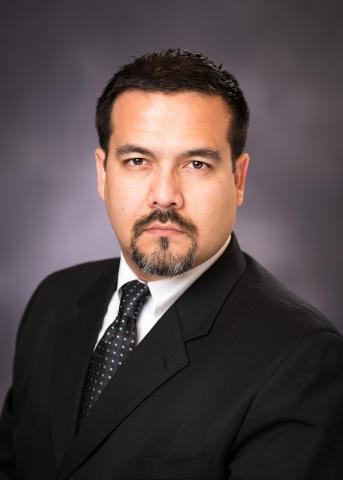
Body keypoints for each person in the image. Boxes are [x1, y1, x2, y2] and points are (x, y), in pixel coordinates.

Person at [0, 48, 342, 480]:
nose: (165, 195)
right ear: (103, 174)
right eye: (138, 161)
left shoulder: (302, 360)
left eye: (196, 164)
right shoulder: (54, 299)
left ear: (238, 179)